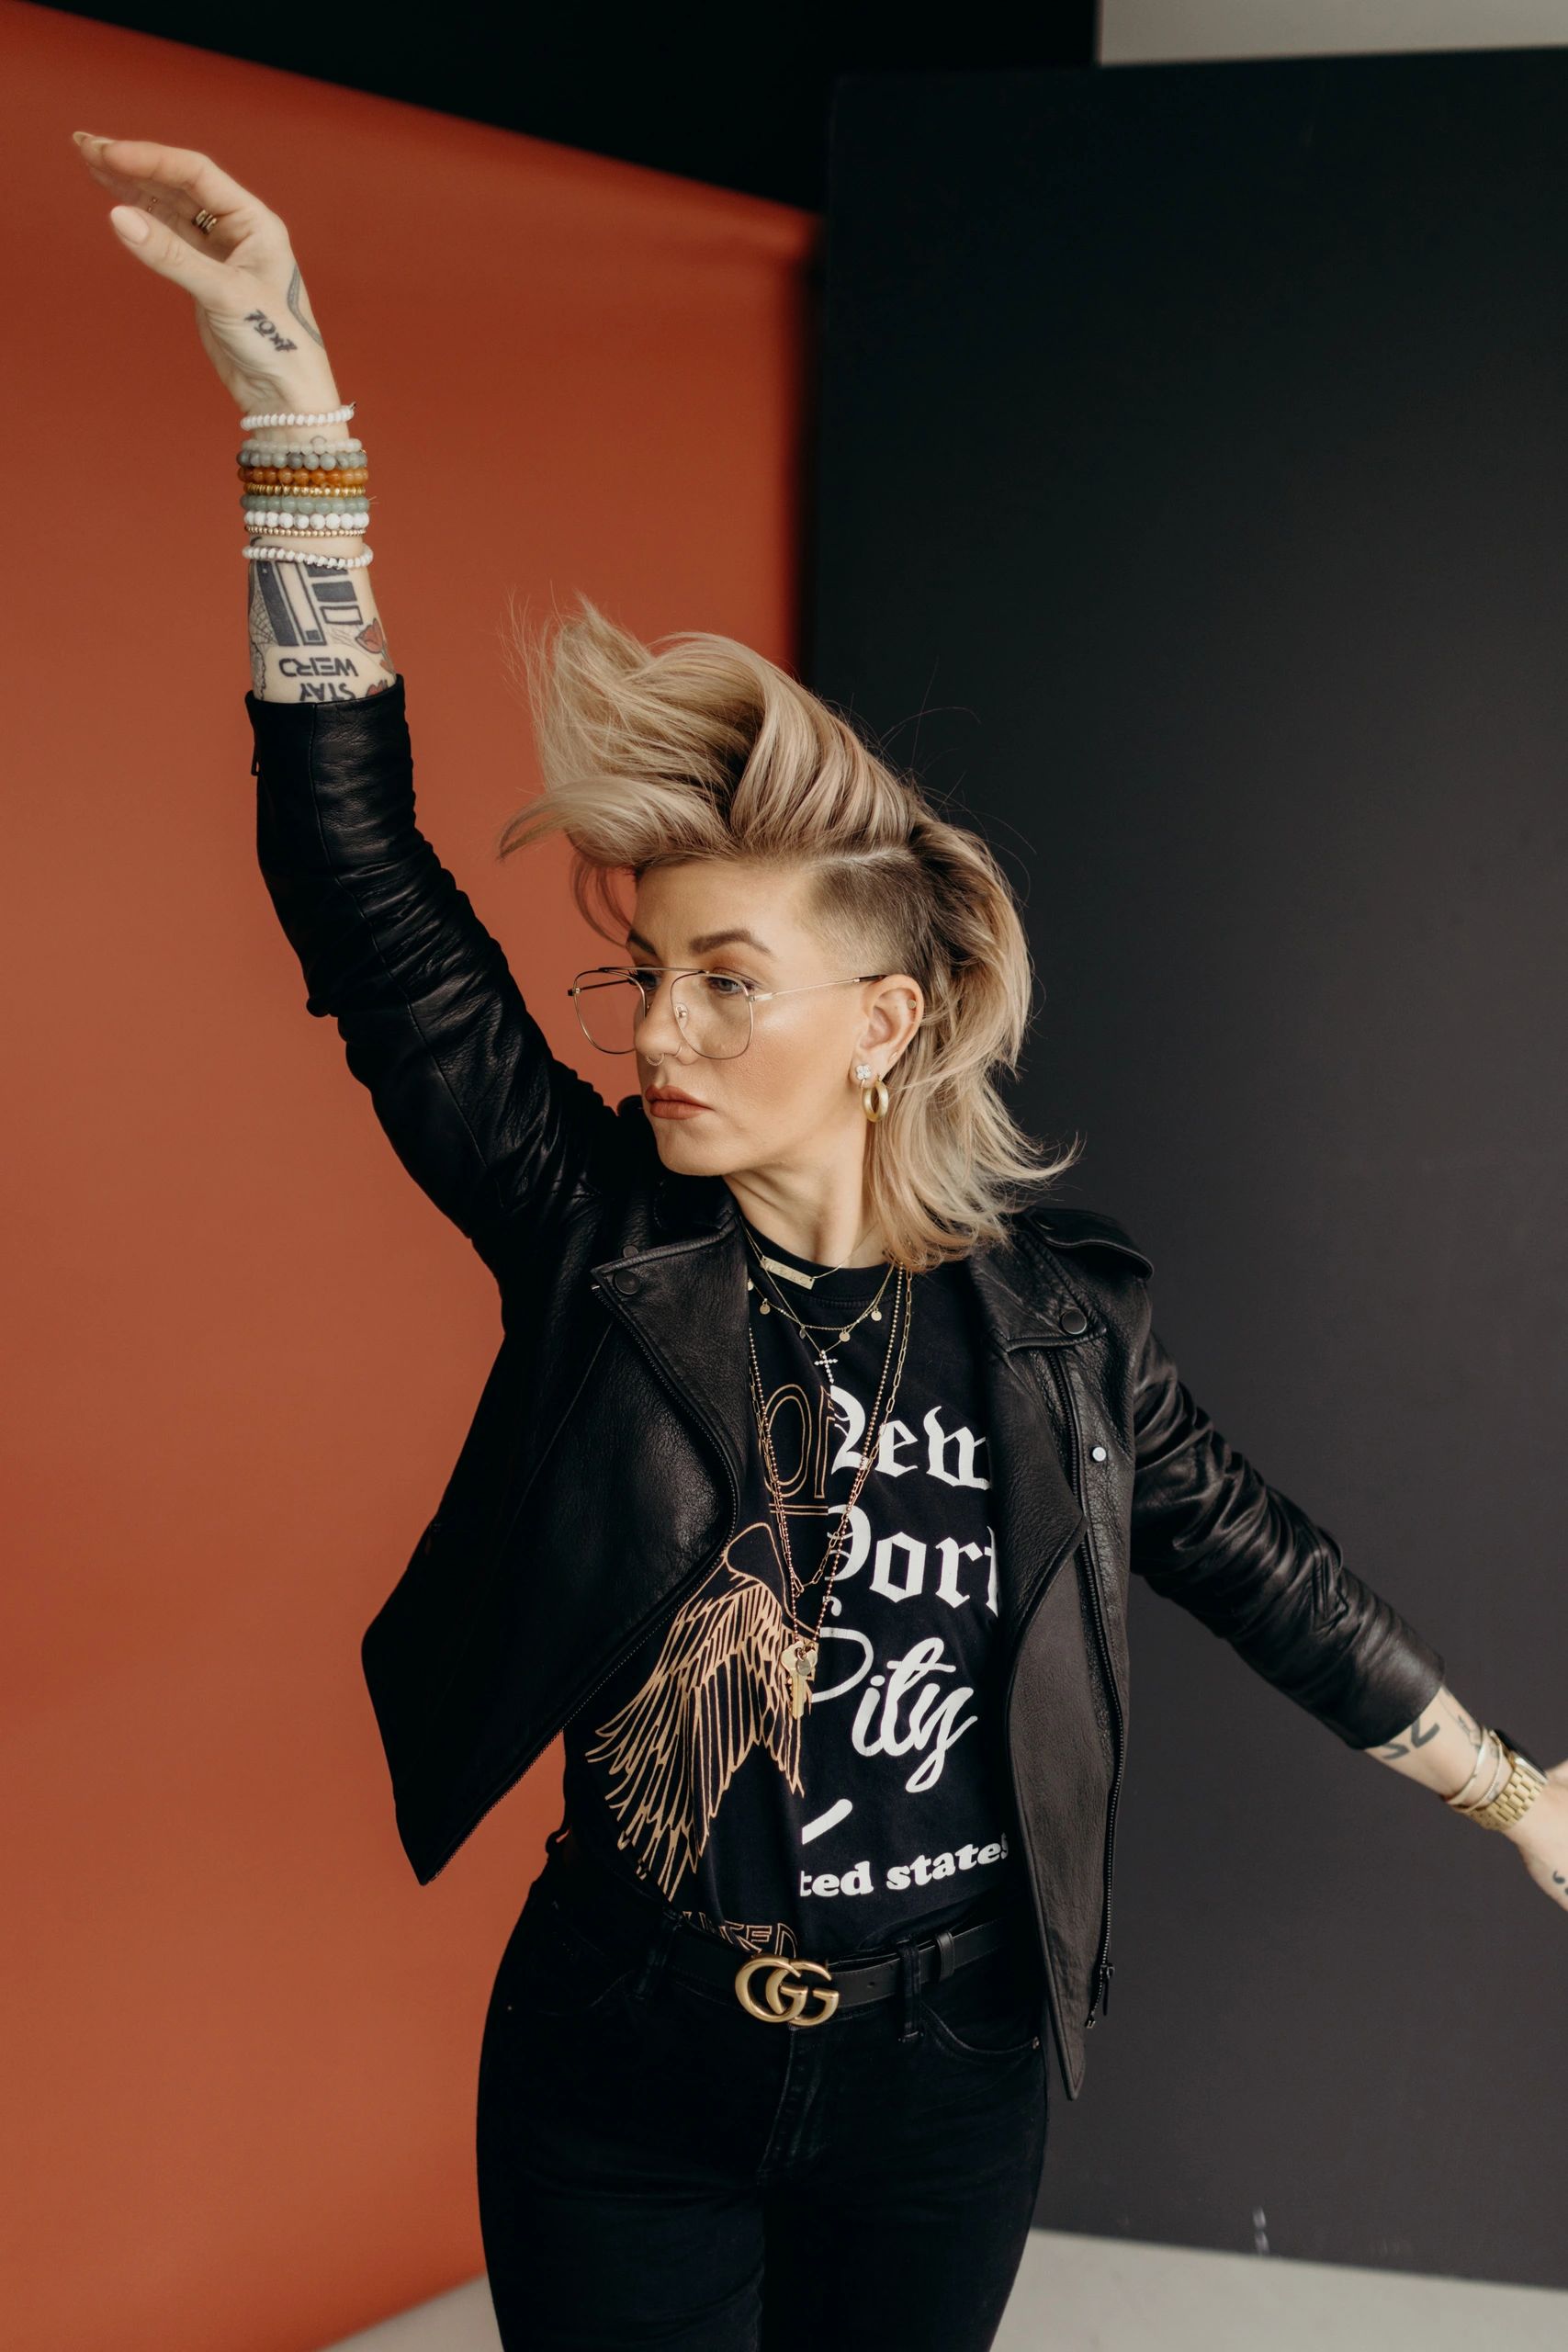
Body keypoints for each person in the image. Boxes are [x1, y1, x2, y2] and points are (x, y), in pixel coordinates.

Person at [73, 131, 1568, 2352]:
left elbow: (1260, 1565)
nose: (658, 1032)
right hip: (621, 2042)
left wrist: (1517, 1792)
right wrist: (296, 417)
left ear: (884, 1020)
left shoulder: (1056, 1333)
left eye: (726, 982)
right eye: (643, 976)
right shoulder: (598, 1238)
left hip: (943, 2063)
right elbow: (361, 898)